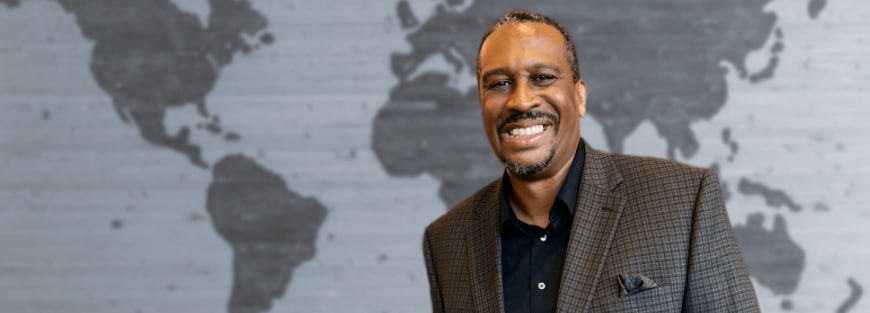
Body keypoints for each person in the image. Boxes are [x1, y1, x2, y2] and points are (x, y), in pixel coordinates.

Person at [422, 10, 760, 313]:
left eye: (542, 77)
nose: (520, 101)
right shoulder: (446, 241)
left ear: (579, 96)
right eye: (499, 83)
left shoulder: (683, 201)